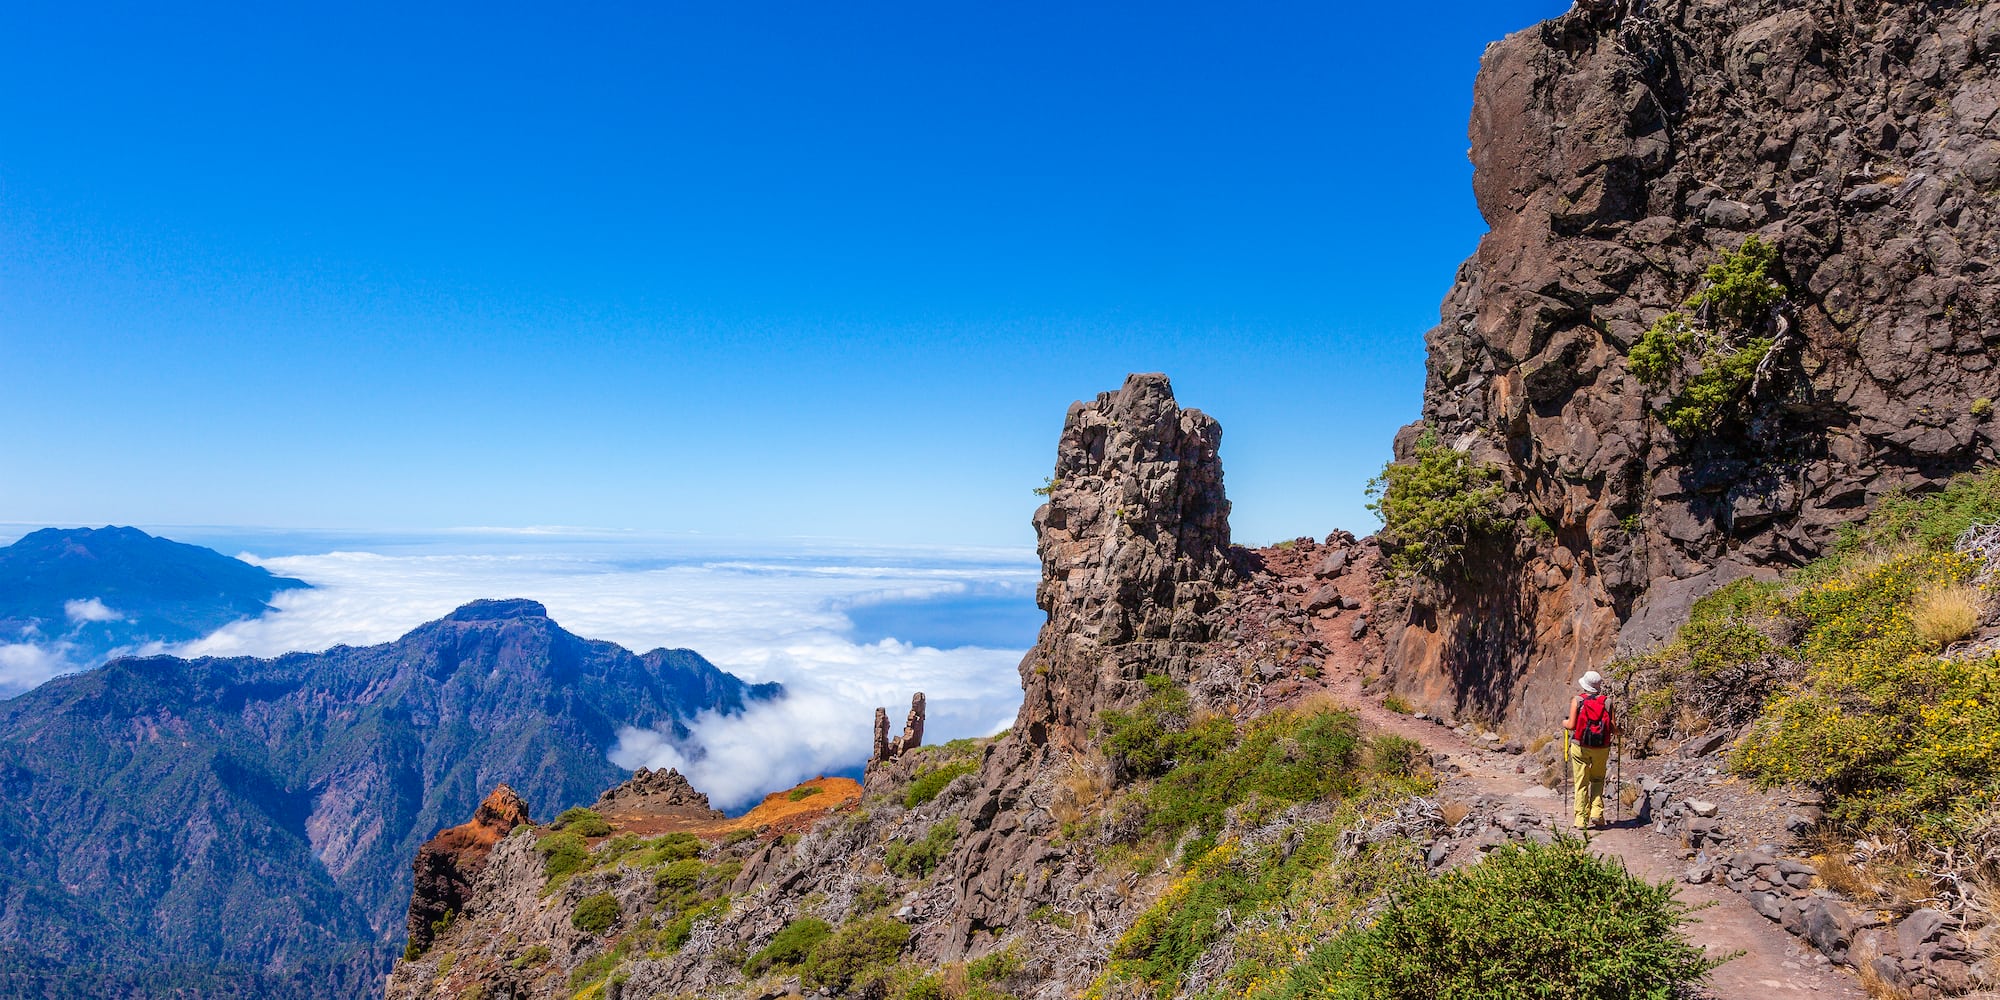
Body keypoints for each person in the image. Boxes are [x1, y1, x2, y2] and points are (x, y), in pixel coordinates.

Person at [1564, 670, 1617, 831]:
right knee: (1598, 779)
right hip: (1601, 747)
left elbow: (1571, 725)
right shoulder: (1607, 702)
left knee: (1581, 782)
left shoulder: (1578, 701)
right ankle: (1597, 813)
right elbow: (1613, 728)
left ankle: (1580, 819)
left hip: (1580, 746)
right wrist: (1620, 731)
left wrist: (1563, 723)